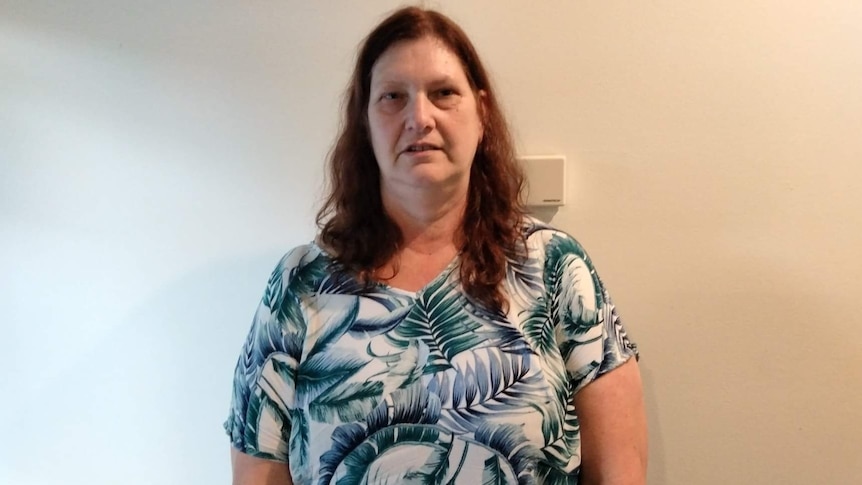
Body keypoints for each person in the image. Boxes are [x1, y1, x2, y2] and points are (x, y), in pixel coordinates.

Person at [225, 6, 647, 484]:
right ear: (365, 122)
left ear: (481, 112)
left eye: (443, 93)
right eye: (392, 97)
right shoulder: (300, 283)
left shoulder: (556, 269)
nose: (419, 118)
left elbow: (620, 471)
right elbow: (258, 471)